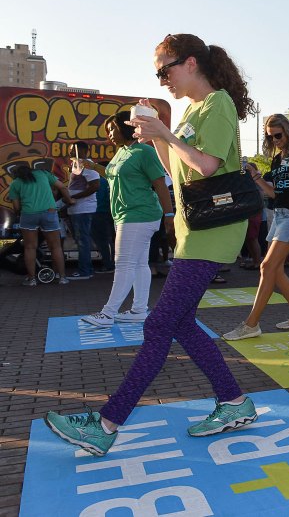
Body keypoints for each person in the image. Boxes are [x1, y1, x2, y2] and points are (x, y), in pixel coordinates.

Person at [44, 33, 259, 456]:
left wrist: (166, 130)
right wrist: (157, 136)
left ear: (191, 63)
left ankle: (106, 424)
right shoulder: (193, 110)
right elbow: (172, 167)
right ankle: (234, 401)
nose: (162, 80)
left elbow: (207, 166)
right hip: (193, 231)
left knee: (159, 325)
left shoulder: (217, 103)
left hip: (212, 232)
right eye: (157, 73)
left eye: (166, 69)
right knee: (180, 324)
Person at [222, 113, 289, 339]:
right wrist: (257, 177)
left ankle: (251, 324)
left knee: (267, 267)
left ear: (287, 131)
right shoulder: (277, 160)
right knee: (275, 270)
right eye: (271, 137)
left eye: (278, 135)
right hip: (279, 215)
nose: (275, 140)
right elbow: (274, 194)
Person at [80, 111, 174, 327]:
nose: (110, 134)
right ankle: (139, 310)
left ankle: (108, 313)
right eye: (108, 131)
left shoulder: (144, 151)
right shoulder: (123, 151)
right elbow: (114, 175)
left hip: (139, 214)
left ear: (126, 127)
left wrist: (169, 215)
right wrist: (93, 166)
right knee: (140, 264)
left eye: (112, 129)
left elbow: (160, 184)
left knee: (123, 264)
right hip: (126, 215)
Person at [8, 165, 73, 285]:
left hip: (28, 215)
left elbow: (16, 207)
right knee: (55, 246)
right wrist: (69, 200)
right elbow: (62, 187)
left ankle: (32, 279)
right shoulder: (43, 174)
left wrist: (20, 212)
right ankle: (62, 278)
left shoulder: (15, 183)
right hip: (49, 212)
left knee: (30, 247)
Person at [66, 141, 101, 279]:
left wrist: (72, 197)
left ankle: (85, 271)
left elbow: (95, 186)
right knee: (80, 240)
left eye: (72, 150)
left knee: (83, 240)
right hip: (76, 209)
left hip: (83, 209)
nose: (69, 153)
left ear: (81, 151)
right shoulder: (77, 165)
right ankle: (86, 269)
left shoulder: (87, 165)